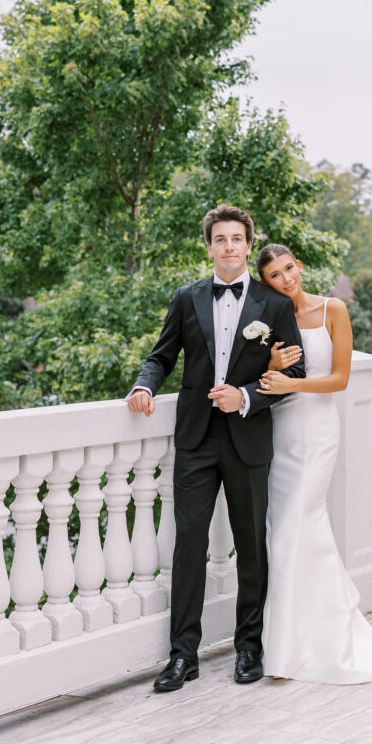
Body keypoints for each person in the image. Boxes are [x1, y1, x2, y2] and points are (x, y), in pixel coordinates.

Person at [126, 206, 305, 692]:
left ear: (249, 245)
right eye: (220, 239)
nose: (229, 247)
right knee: (188, 547)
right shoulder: (187, 298)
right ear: (208, 246)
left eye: (237, 239)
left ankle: (250, 647)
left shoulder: (274, 305)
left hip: (248, 437)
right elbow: (162, 355)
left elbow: (295, 376)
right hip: (196, 439)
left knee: (251, 546)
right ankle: (182, 655)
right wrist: (142, 387)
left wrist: (246, 395)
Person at [255, 243, 372, 683]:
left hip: (317, 432)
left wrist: (288, 387)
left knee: (298, 525)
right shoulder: (270, 322)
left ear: (299, 265)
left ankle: (314, 642)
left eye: (288, 269)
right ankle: (291, 641)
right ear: (266, 283)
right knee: (284, 533)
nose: (286, 279)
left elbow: (339, 379)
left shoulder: (331, 309)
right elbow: (259, 375)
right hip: (280, 434)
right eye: (275, 276)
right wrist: (269, 362)